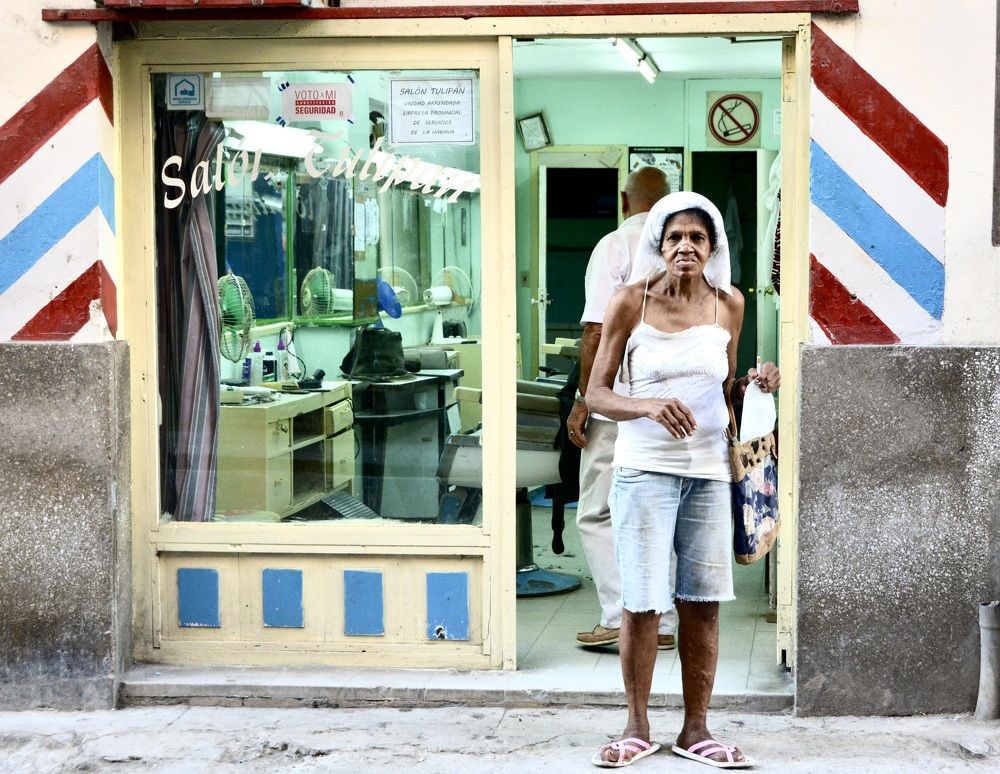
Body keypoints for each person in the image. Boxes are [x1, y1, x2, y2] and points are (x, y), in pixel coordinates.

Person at [586, 192, 780, 769]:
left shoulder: (729, 306)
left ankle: (697, 731)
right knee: (641, 603)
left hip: (708, 474)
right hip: (644, 471)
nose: (686, 247)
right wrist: (646, 406)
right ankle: (637, 727)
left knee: (704, 602)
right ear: (658, 246)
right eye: (675, 238)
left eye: (698, 238)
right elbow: (595, 393)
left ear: (713, 247)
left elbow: (724, 392)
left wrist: (756, 383)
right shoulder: (630, 303)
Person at [568, 166, 677, 651]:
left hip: (619, 405)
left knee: (596, 512)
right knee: (661, 512)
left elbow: (596, 329)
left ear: (624, 199)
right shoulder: (684, 248)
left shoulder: (613, 245)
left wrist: (582, 400)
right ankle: (666, 621)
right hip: (673, 409)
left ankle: (619, 616)